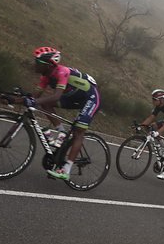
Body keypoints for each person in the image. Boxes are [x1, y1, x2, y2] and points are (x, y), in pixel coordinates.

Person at [16, 46, 101, 181]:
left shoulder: (62, 72)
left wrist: (33, 101)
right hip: (74, 96)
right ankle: (61, 132)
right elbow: (35, 97)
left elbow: (55, 97)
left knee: (78, 131)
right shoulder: (46, 76)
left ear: (49, 65)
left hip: (90, 97)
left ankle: (65, 170)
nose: (34, 64)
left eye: (38, 62)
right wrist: (15, 99)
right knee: (44, 103)